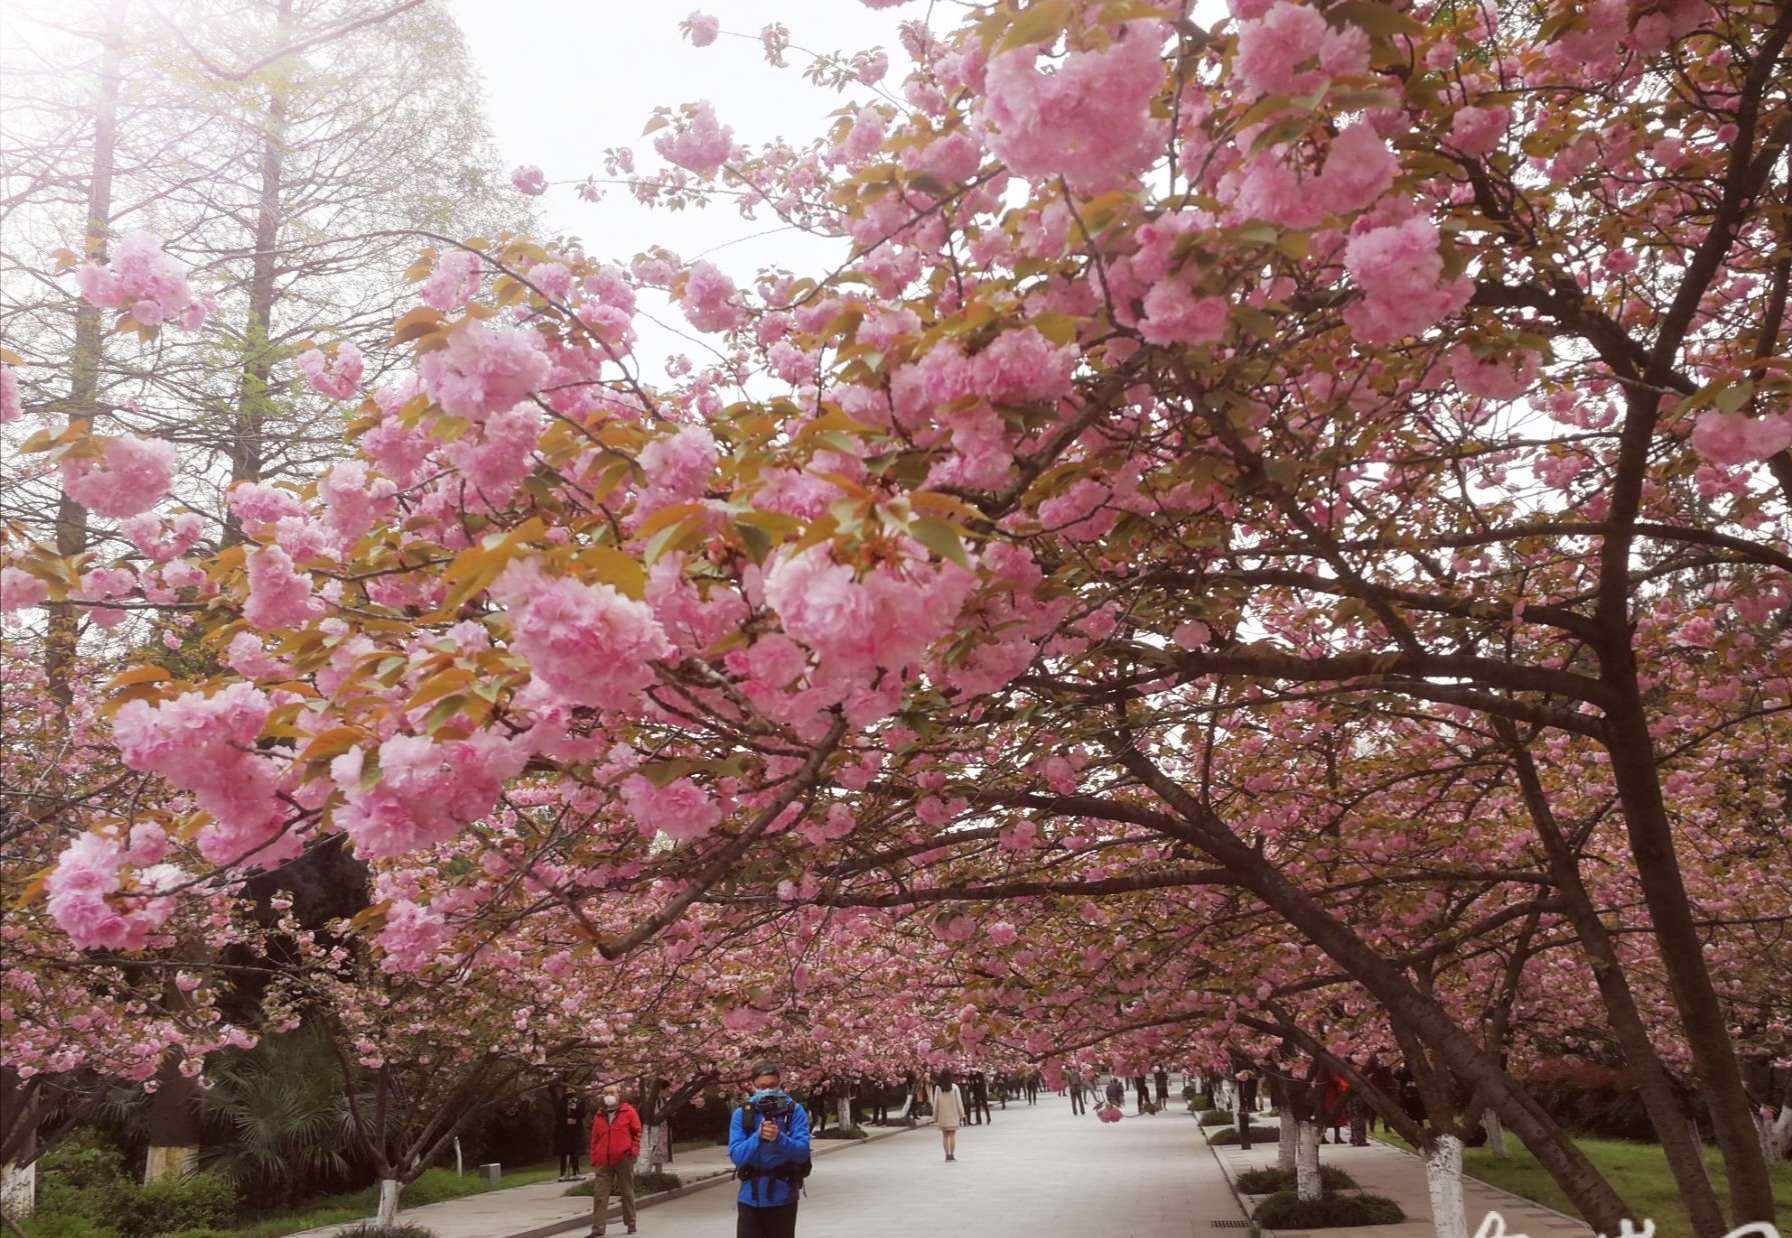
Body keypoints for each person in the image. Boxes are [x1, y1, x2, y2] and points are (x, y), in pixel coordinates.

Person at [729, 1061, 811, 1238]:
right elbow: (736, 1156)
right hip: (750, 1197)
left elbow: (802, 1152)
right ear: (753, 1086)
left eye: (772, 1086)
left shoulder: (794, 1111)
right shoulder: (743, 1114)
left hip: (783, 1196)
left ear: (780, 1083)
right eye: (762, 1087)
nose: (767, 1091)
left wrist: (779, 1138)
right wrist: (757, 1137)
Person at [588, 1084, 642, 1237]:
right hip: (603, 1159)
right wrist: (594, 1156)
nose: (608, 1095)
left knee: (626, 1191)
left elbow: (637, 1132)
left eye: (611, 1092)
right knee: (600, 1194)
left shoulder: (628, 1111)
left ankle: (631, 1223)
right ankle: (598, 1229)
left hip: (623, 1157)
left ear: (619, 1094)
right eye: (606, 1093)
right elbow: (595, 1138)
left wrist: (633, 1152)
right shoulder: (599, 1115)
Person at [554, 1082, 587, 1181]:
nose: (569, 1093)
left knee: (575, 1151)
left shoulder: (580, 1102)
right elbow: (558, 1116)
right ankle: (563, 1173)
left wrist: (575, 1110)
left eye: (571, 1091)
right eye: (567, 1091)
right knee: (564, 1152)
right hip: (564, 1130)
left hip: (576, 1130)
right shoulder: (561, 1103)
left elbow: (583, 1114)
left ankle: (576, 1172)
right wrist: (565, 1120)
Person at [932, 1070, 965, 1161]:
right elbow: (959, 1102)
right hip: (953, 1115)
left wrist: (935, 1116)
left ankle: (947, 1155)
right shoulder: (955, 1087)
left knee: (945, 1136)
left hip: (943, 1116)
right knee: (952, 1135)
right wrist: (962, 1114)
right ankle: (952, 1155)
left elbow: (935, 1103)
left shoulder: (938, 1088)